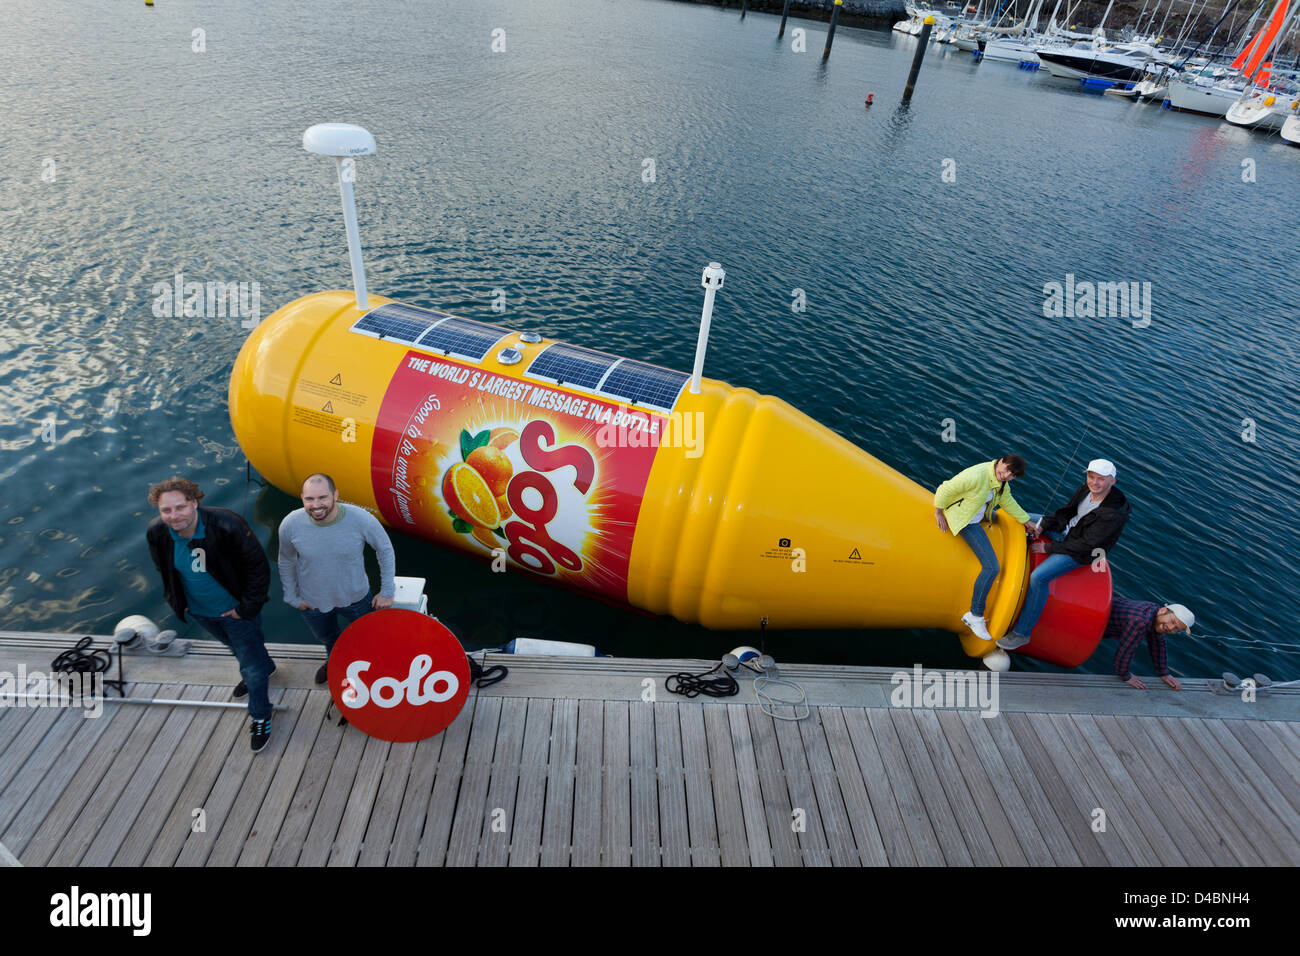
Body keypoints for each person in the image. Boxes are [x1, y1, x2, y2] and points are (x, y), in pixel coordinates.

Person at [146, 476, 277, 752]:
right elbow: (164, 569)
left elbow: (257, 568)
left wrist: (246, 609)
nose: (174, 516)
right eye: (166, 510)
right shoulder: (157, 532)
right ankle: (266, 666)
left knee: (250, 669)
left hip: (236, 612)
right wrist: (177, 600)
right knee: (241, 652)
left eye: (180, 507)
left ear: (195, 502)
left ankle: (261, 714)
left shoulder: (227, 526)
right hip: (199, 611)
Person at [998, 458, 1131, 651]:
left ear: (1112, 482)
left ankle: (1022, 633)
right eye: (1091, 476)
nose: (1094, 482)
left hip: (1083, 551)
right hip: (1066, 531)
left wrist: (1048, 549)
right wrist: (1044, 524)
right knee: (1022, 517)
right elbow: (1066, 512)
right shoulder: (1086, 489)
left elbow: (1087, 544)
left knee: (1038, 578)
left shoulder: (1113, 514)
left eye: (1101, 479)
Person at [277, 473, 396, 685]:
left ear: (335, 495)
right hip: (312, 602)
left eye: (323, 497)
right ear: (302, 498)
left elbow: (385, 550)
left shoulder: (361, 519)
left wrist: (387, 590)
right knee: (329, 638)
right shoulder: (290, 524)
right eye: (309, 499)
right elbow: (286, 560)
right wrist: (291, 596)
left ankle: (367, 669)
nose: (316, 505)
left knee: (366, 638)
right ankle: (334, 660)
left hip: (357, 598)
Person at [934, 454, 1037, 642]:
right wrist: (939, 511)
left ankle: (1035, 521)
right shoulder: (977, 475)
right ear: (1001, 461)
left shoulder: (1000, 483)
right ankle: (975, 615)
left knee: (1026, 519)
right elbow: (946, 488)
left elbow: (1008, 502)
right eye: (1006, 470)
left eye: (1011, 475)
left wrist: (1026, 521)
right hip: (966, 521)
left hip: (978, 514)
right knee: (992, 568)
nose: (1006, 475)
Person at [1103, 596, 1194, 689]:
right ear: (1164, 610)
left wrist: (1164, 673)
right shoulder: (1140, 621)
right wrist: (1125, 675)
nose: (1171, 628)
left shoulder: (1153, 610)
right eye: (1173, 622)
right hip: (1094, 617)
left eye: (1176, 629)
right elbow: (1126, 651)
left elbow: (1158, 643)